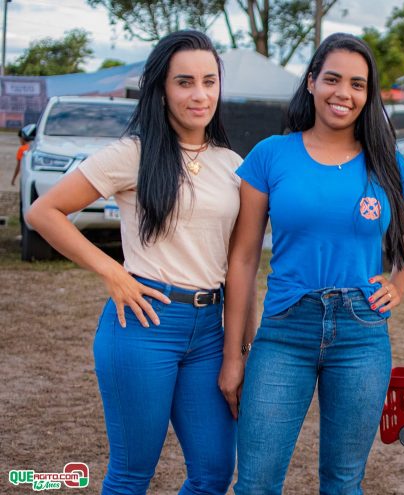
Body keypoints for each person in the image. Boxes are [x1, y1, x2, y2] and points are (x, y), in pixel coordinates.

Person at [26, 30, 243, 495]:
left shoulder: (231, 163)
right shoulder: (134, 153)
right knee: (131, 475)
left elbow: (244, 257)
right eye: (184, 82)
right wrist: (113, 271)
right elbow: (43, 212)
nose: (199, 94)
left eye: (209, 81)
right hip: (145, 324)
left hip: (210, 331)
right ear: (161, 88)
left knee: (213, 474)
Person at [219, 33, 404, 494]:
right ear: (311, 82)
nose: (343, 93)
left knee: (344, 482)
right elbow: (245, 257)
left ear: (368, 95)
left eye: (357, 84)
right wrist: (235, 356)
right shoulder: (271, 154)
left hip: (362, 335)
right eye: (332, 79)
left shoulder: (385, 160)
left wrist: (400, 282)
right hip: (285, 330)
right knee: (254, 483)